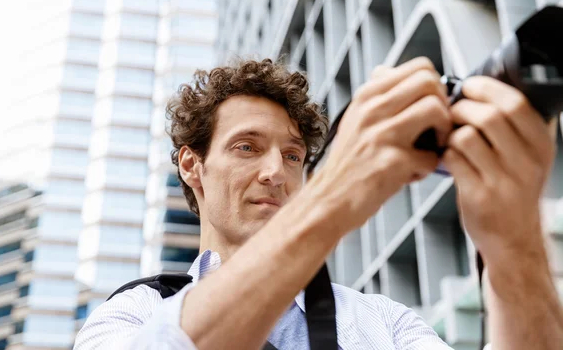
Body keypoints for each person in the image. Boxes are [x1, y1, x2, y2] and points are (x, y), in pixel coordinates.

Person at [74, 58, 563, 349]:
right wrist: (336, 194)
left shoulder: (384, 323)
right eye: (247, 147)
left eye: (292, 156)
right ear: (191, 165)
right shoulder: (133, 313)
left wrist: (515, 242)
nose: (276, 172)